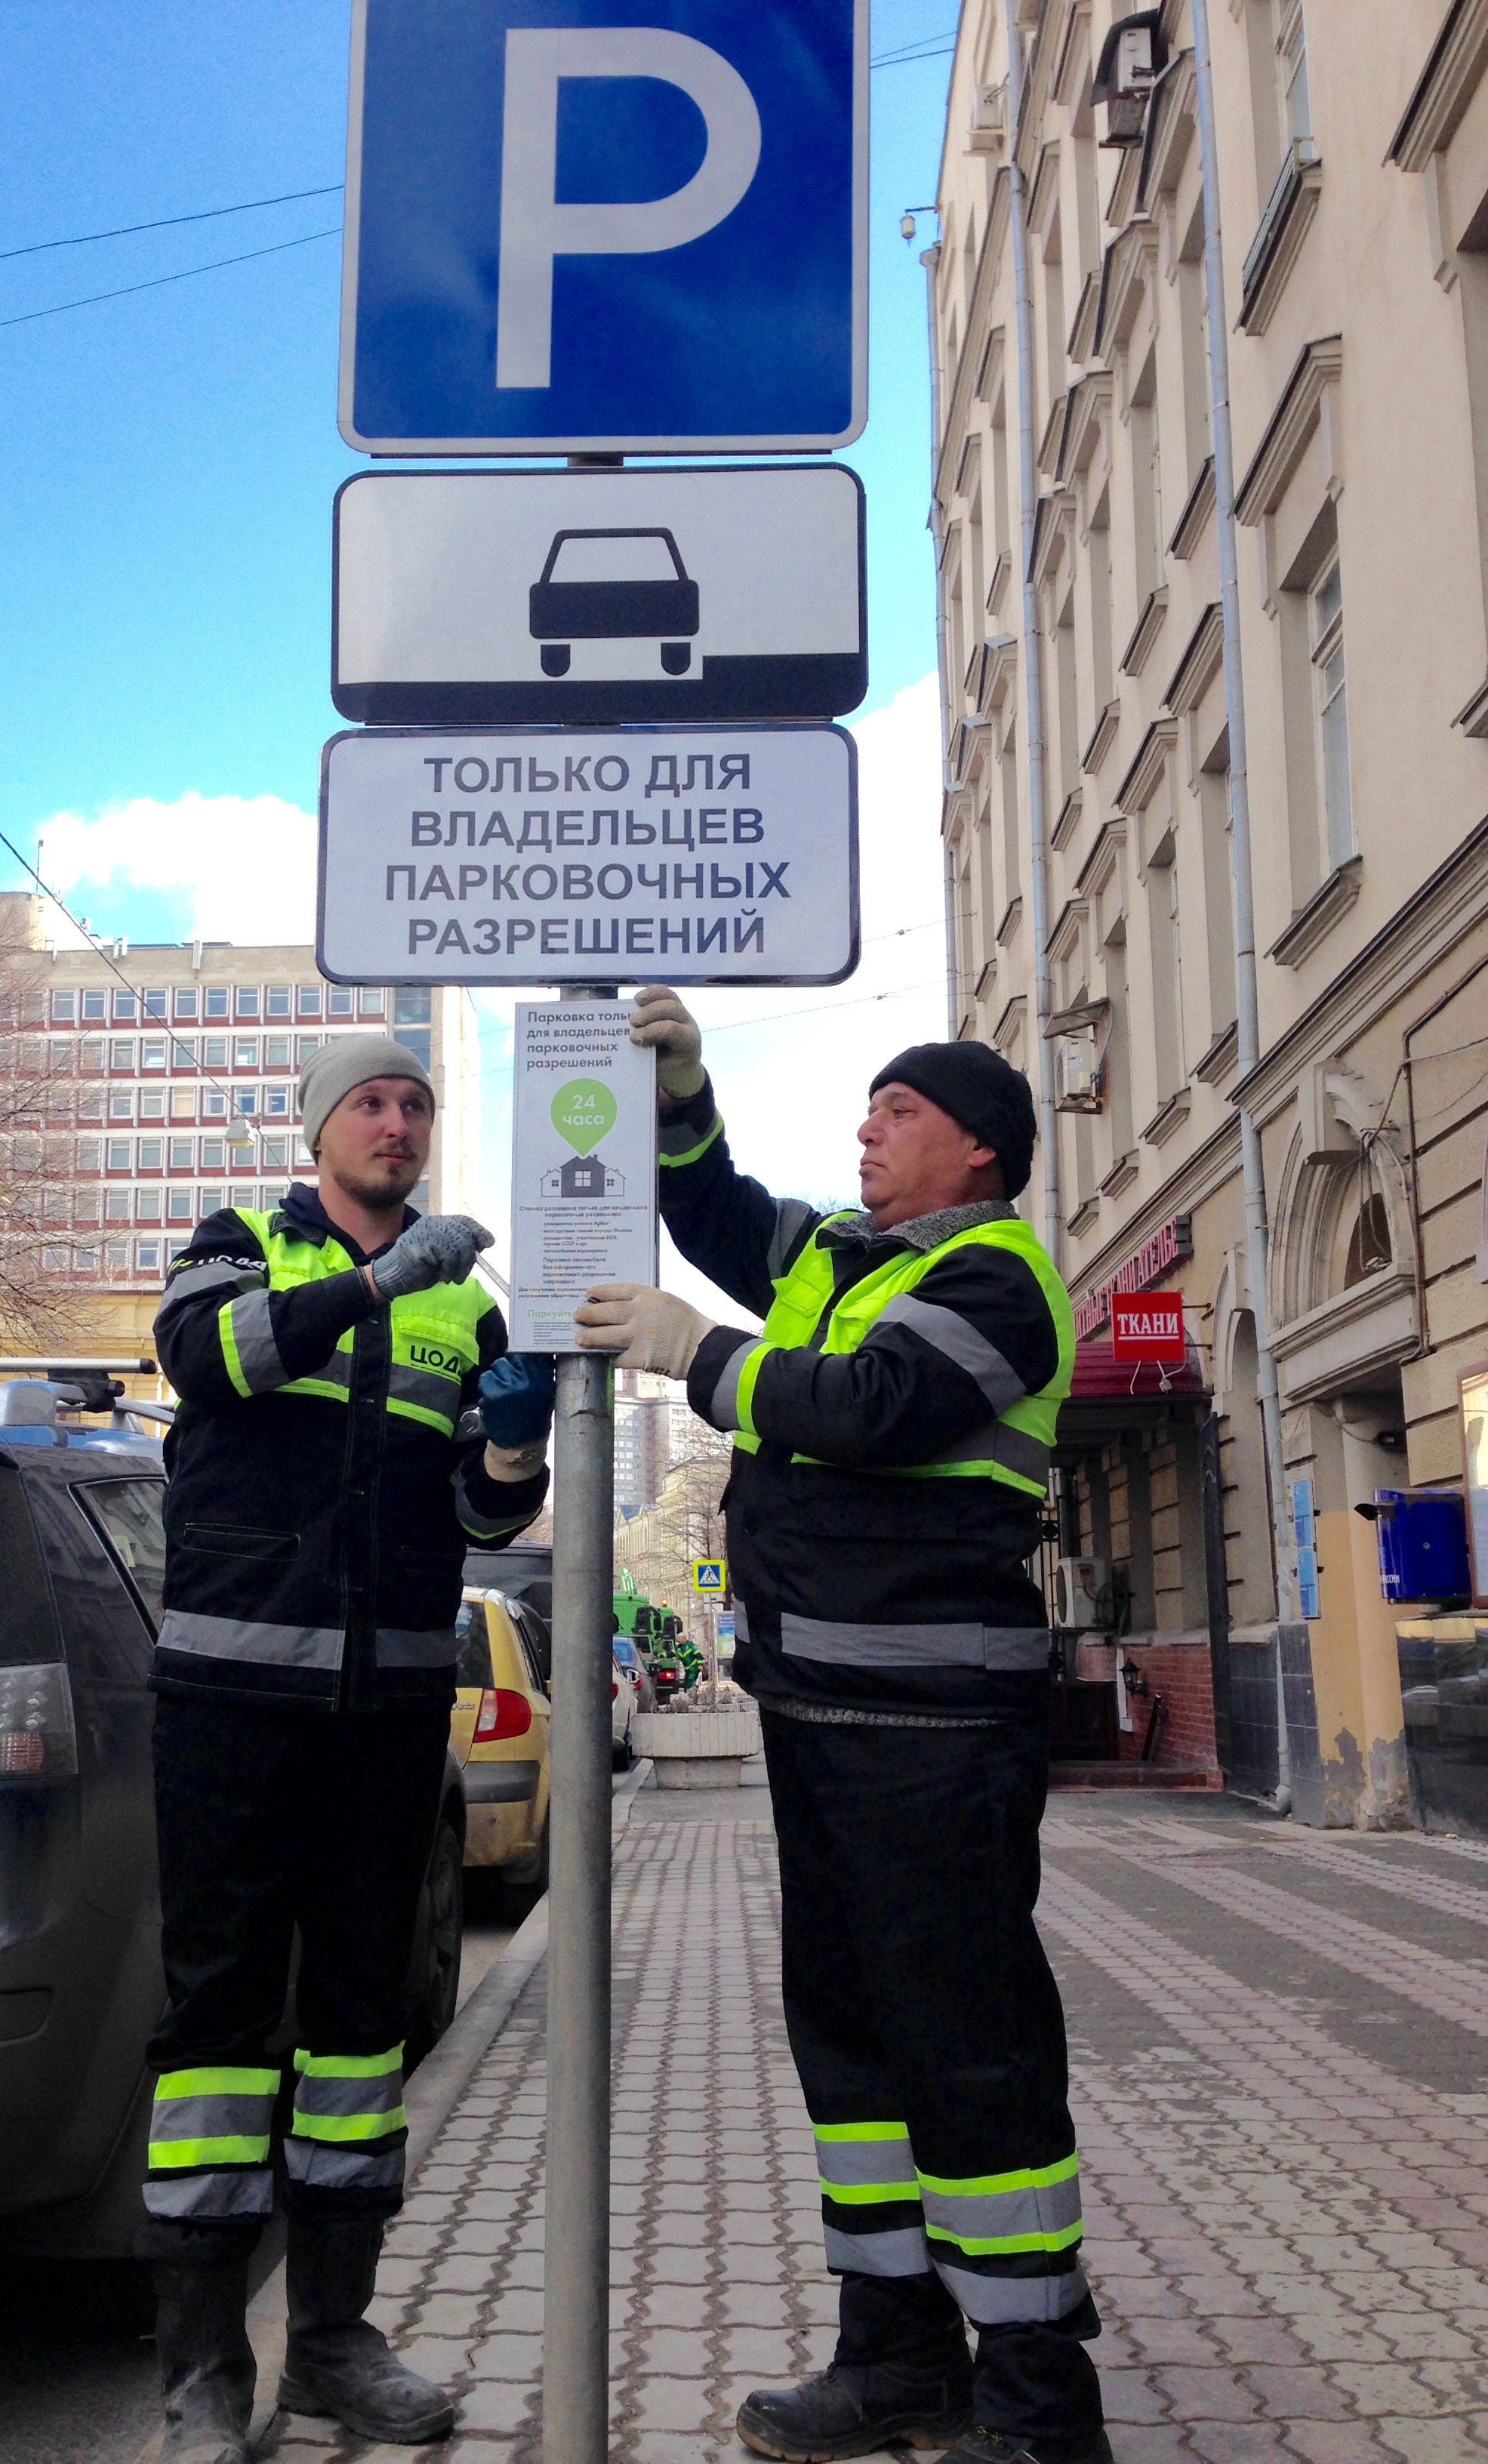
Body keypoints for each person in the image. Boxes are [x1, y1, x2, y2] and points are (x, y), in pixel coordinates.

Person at [575, 989, 1110, 2464]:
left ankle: (1042, 2415)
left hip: (936, 1731)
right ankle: (895, 2362)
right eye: (865, 1110)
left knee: (971, 2058)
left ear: (980, 1154)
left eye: (900, 1114)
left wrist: (699, 1357)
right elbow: (719, 1213)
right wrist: (683, 1093)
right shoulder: (836, 1256)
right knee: (858, 2061)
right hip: (824, 1716)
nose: (866, 1132)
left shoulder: (1000, 1280)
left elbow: (872, 1408)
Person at [143, 1033, 554, 2464]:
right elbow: (210, 1357)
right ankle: (201, 2370)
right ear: (322, 1131)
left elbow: (490, 1529)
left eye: (415, 1105)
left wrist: (512, 1450)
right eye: (371, 1104)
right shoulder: (239, 1241)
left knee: (360, 2035)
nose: (397, 1123)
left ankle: (330, 2342)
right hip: (232, 1711)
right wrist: (380, 1280)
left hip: (387, 1717)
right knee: (217, 2035)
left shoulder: (471, 1312)